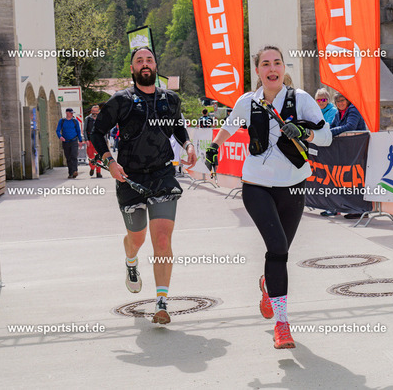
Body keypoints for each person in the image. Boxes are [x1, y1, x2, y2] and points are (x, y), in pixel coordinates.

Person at [205, 46, 332, 349]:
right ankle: (282, 323)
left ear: (283, 68)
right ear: (258, 70)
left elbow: (326, 137)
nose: (272, 68)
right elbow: (229, 126)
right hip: (256, 185)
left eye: (277, 63)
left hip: (293, 185)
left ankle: (267, 284)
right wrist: (214, 147)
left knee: (280, 252)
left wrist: (304, 132)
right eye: (265, 64)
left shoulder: (301, 100)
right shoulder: (248, 102)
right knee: (277, 248)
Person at [90, 46, 197, 325]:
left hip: (162, 175)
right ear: (132, 68)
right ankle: (131, 261)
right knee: (136, 239)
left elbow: (178, 127)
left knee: (161, 240)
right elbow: (96, 132)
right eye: (139, 60)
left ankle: (161, 302)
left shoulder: (170, 99)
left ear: (156, 65)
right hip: (130, 178)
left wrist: (187, 145)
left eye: (149, 59)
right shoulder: (121, 100)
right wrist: (109, 162)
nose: (145, 63)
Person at [56, 108, 84, 179]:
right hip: (65, 142)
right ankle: (70, 173)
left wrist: (80, 141)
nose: (72, 114)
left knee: (74, 156)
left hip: (74, 141)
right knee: (68, 157)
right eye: (70, 113)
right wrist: (60, 137)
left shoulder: (75, 121)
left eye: (72, 113)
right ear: (66, 113)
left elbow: (78, 131)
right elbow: (58, 130)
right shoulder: (62, 121)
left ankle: (75, 171)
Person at [84, 105, 102, 178]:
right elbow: (85, 130)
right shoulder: (87, 119)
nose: (95, 112)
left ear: (98, 111)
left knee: (99, 157)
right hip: (90, 141)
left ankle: (98, 172)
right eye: (93, 111)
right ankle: (92, 168)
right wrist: (86, 140)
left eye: (96, 111)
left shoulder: (101, 118)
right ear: (91, 111)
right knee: (91, 156)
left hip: (99, 140)